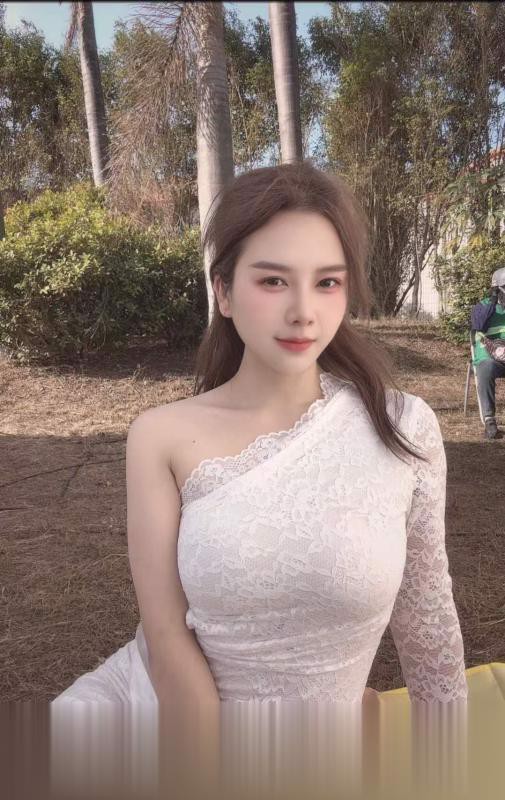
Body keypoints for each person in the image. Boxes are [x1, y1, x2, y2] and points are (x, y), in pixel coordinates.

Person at [52, 160, 468, 708]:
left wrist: (448, 751)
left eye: (327, 282)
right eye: (273, 281)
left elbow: (428, 624)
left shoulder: (402, 427)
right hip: (157, 716)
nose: (303, 312)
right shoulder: (159, 437)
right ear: (223, 292)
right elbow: (166, 633)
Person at [470, 267, 505, 440]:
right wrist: (493, 302)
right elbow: (479, 325)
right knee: (486, 367)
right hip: (490, 357)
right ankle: (489, 419)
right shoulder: (482, 307)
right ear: (497, 289)